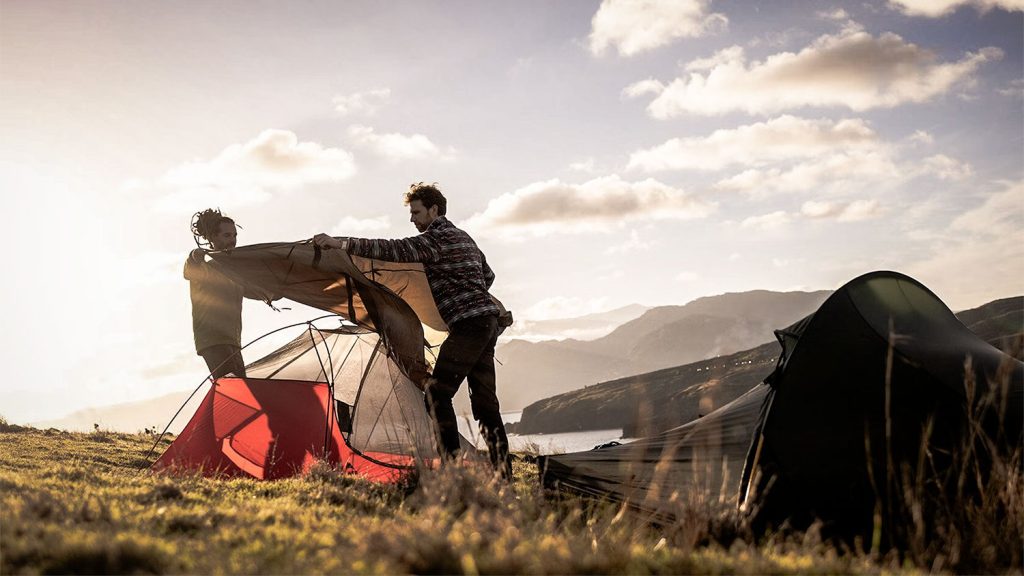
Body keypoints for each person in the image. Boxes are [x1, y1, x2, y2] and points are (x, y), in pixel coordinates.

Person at [313, 182, 512, 478]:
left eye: (416, 212)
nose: (412, 219)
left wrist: (340, 244)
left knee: (435, 393)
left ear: (434, 209)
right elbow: (488, 275)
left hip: (469, 326)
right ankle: (502, 474)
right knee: (484, 404)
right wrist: (466, 291)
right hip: (486, 323)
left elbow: (391, 249)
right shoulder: (464, 238)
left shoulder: (435, 239)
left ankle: (453, 469)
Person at [184, 208, 251, 379]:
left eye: (234, 235)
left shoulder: (234, 272)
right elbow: (189, 270)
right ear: (213, 238)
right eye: (227, 236)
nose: (233, 240)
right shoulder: (205, 268)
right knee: (235, 389)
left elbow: (257, 290)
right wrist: (194, 255)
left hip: (232, 340)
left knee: (240, 388)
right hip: (213, 341)